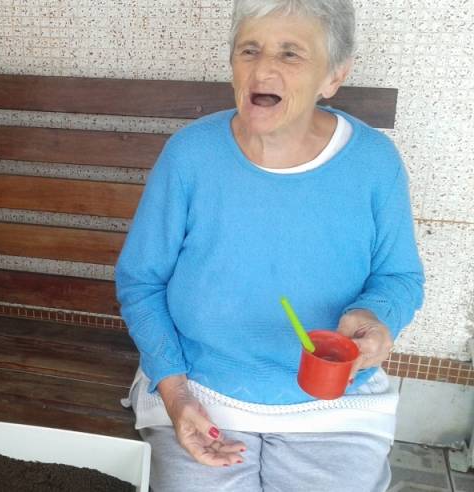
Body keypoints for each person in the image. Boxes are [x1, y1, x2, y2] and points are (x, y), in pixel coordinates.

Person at [115, 1, 424, 491]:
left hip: (334, 406)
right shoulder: (191, 154)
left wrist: (378, 315)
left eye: (291, 54)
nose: (263, 69)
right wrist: (174, 392)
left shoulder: (373, 162)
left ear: (334, 77)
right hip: (199, 391)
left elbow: (400, 277)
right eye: (250, 50)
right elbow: (141, 281)